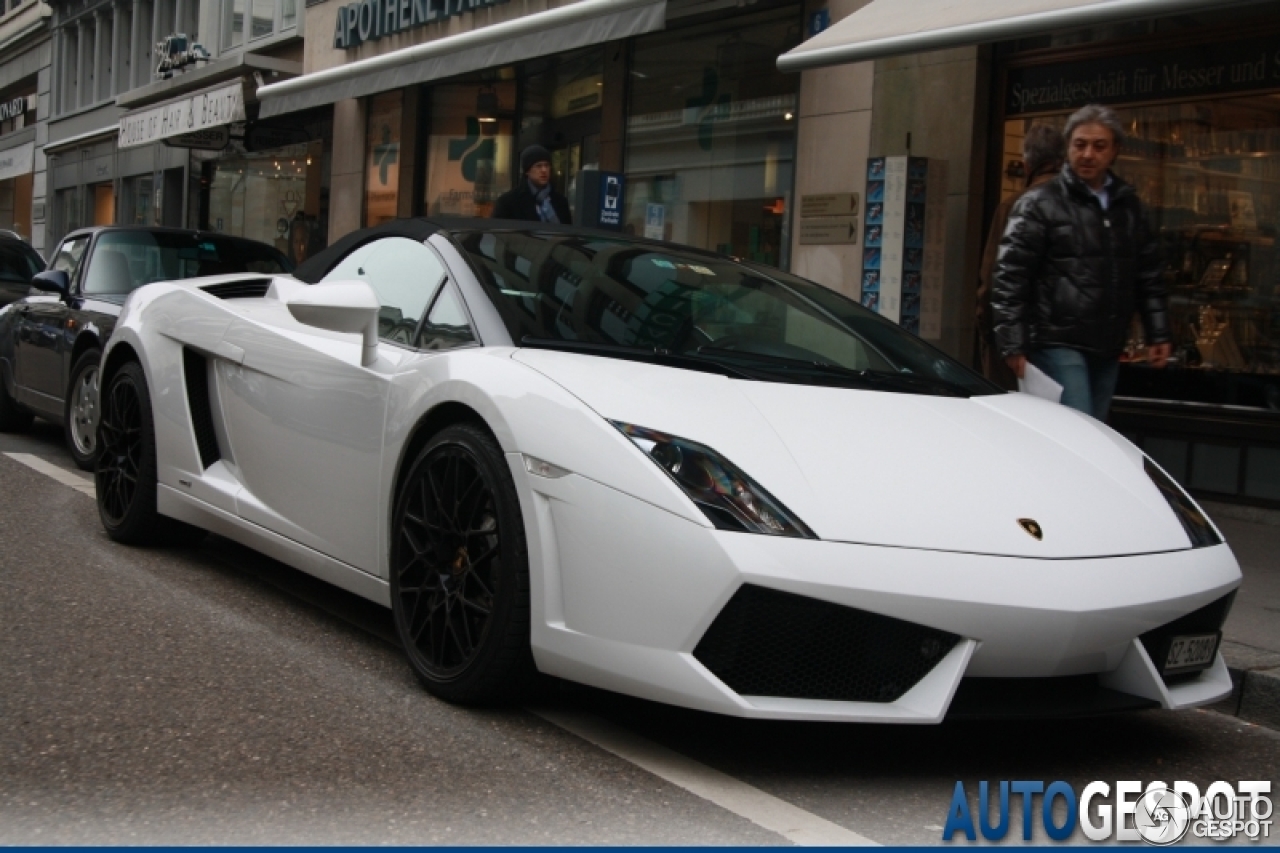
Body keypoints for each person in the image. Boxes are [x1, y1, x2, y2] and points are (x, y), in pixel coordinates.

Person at [992, 104, 1171, 420]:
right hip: (1054, 340)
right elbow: (1010, 276)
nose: (1088, 154)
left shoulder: (1129, 207)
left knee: (1091, 433)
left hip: (1107, 344)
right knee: (1079, 425)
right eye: (1080, 144)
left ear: (1115, 150)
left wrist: (1158, 333)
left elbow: (1148, 273)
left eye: (1099, 146)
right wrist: (1013, 344)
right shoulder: (1039, 203)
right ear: (1067, 147)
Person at [975, 125, 1065, 390]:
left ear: (1027, 165)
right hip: (1068, 347)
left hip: (1018, 345)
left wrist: (990, 338)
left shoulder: (1013, 206)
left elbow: (991, 283)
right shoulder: (1083, 205)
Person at [492, 145, 572, 224]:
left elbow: (568, 233)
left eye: (547, 165)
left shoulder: (561, 202)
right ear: (527, 171)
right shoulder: (508, 202)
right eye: (538, 166)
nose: (544, 170)